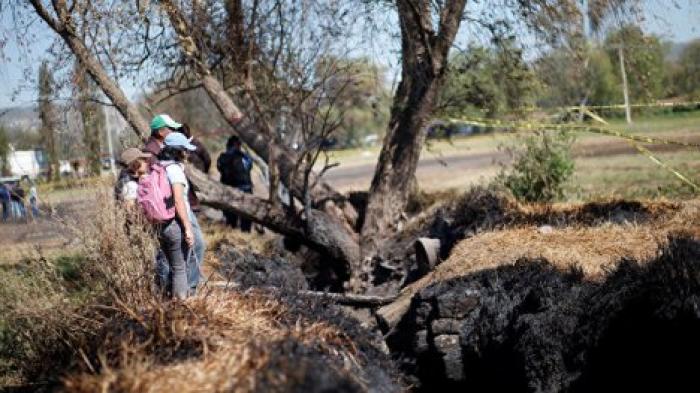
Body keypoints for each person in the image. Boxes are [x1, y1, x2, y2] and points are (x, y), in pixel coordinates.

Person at [146, 115, 206, 289]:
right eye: (185, 150)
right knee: (182, 259)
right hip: (178, 214)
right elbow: (179, 199)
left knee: (172, 258)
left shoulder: (159, 163)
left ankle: (170, 291)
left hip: (163, 216)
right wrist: (187, 227)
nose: (187, 153)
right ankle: (187, 292)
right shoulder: (171, 167)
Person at [217, 135, 254, 232]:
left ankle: (232, 230)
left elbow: (220, 168)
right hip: (246, 189)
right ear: (238, 145)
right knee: (246, 216)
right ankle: (245, 234)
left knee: (230, 218)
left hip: (230, 190)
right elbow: (250, 166)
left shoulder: (223, 157)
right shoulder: (244, 157)